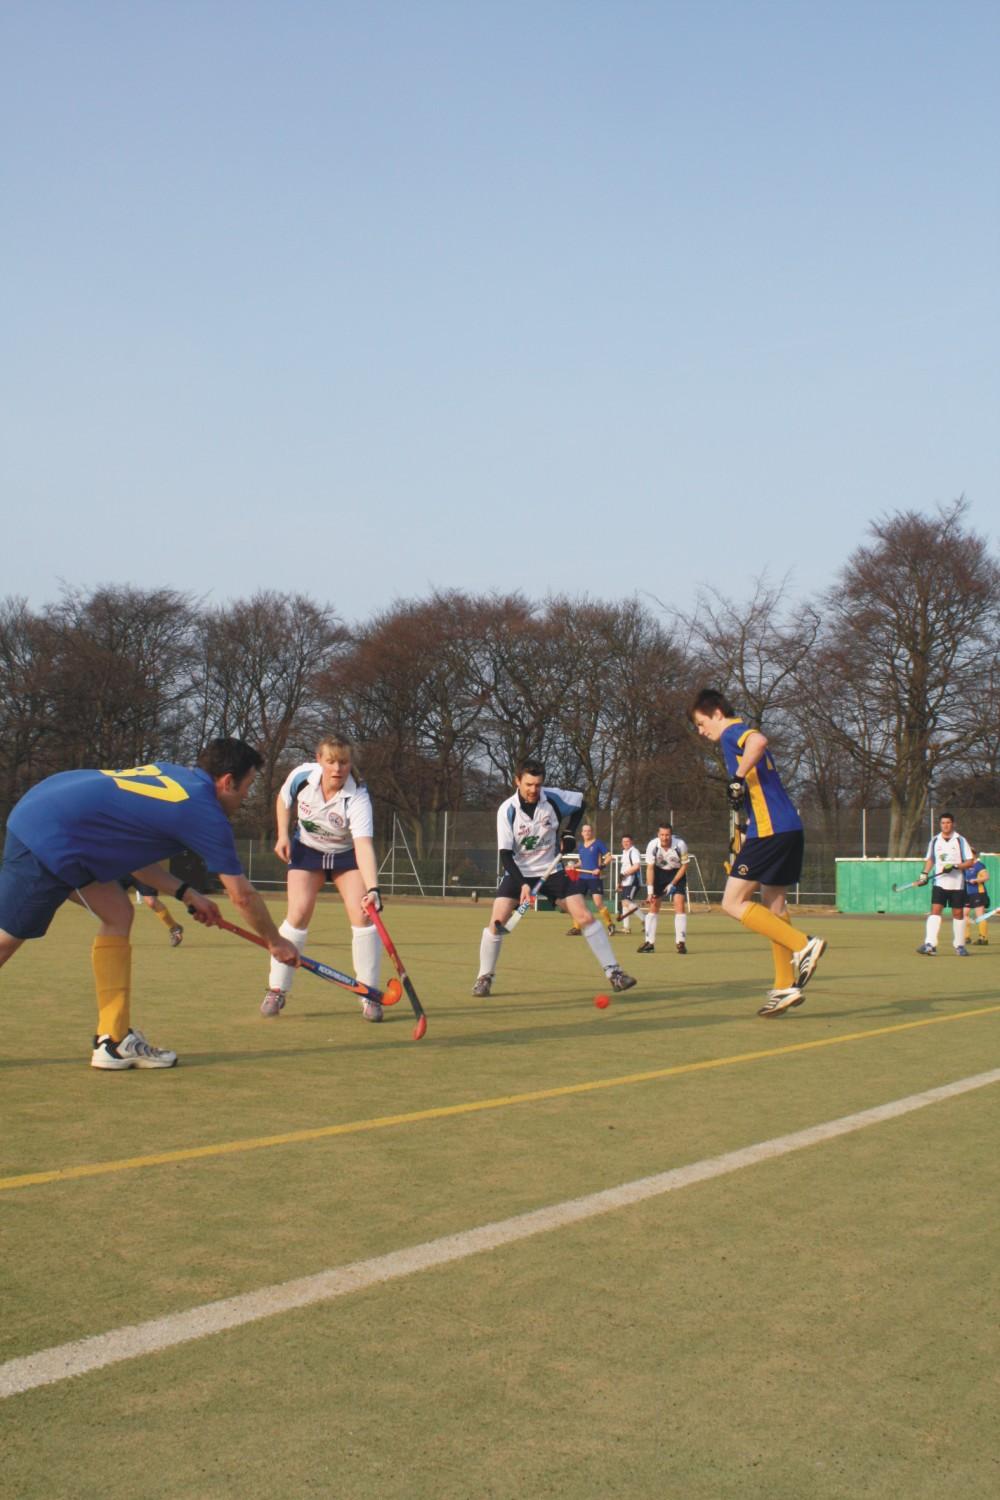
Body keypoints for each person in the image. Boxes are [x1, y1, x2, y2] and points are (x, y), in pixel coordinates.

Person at [0, 739, 299, 1069]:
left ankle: (113, 1040)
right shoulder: (205, 813)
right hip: (47, 831)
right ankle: (113, 1041)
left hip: (54, 810)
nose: (246, 797)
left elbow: (135, 860)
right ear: (227, 781)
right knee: (5, 941)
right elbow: (242, 895)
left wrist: (186, 893)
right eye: (248, 786)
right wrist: (275, 941)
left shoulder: (175, 776)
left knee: (118, 913)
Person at [688, 689, 826, 1016]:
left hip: (771, 829)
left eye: (701, 723)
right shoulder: (733, 736)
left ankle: (803, 945)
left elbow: (758, 741)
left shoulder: (731, 732)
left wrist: (736, 779)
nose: (700, 731)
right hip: (787, 827)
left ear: (717, 713)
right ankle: (785, 986)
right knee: (774, 906)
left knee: (731, 902)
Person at [471, 759, 636, 998]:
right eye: (528, 784)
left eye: (538, 785)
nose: (533, 790)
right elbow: (505, 854)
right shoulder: (507, 810)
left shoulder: (553, 799)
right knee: (496, 923)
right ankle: (484, 977)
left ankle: (614, 973)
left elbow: (581, 804)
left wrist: (568, 832)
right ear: (517, 781)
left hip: (552, 871)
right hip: (518, 872)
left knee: (585, 916)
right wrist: (523, 884)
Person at [261, 734, 384, 1021]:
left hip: (345, 855)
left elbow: (363, 845)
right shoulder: (302, 776)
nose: (337, 769)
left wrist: (373, 889)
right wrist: (282, 835)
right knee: (298, 912)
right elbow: (283, 800)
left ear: (350, 763)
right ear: (319, 760)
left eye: (343, 762)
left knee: (363, 916)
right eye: (331, 761)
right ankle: (277, 989)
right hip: (307, 851)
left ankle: (369, 994)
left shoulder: (358, 796)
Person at [916, 812, 975, 956]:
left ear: (953, 824)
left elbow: (970, 861)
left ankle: (960, 945)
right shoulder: (935, 840)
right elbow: (931, 859)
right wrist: (924, 874)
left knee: (958, 914)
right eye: (943, 823)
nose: (945, 825)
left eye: (948, 823)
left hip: (957, 884)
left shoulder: (960, 840)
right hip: (940, 883)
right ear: (940, 824)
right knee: (935, 911)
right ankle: (930, 944)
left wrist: (955, 867)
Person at [637, 824, 690, 954]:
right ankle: (649, 943)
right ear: (658, 835)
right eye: (662, 835)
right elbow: (650, 868)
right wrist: (650, 892)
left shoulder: (680, 845)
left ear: (671, 835)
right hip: (659, 873)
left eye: (667, 835)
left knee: (679, 905)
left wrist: (672, 883)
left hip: (677, 873)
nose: (664, 838)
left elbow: (684, 866)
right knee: (654, 906)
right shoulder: (652, 845)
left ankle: (680, 943)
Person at [567, 823, 615, 937]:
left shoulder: (598, 843)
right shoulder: (580, 846)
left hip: (594, 878)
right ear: (582, 833)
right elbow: (582, 862)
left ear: (592, 832)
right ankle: (577, 928)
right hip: (582, 878)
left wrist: (599, 868)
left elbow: (609, 857)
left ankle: (610, 924)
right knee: (576, 902)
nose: (587, 833)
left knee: (598, 903)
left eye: (589, 831)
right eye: (585, 831)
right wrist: (574, 866)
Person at [119, 876, 184, 947]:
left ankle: (174, 928)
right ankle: (115, 937)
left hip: (142, 872)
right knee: (112, 901)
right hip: (120, 872)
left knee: (151, 902)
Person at [617, 834, 642, 934]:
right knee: (625, 904)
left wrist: (625, 874)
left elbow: (636, 866)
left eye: (627, 841)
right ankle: (626, 927)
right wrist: (619, 883)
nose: (625, 843)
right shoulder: (625, 852)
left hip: (633, 881)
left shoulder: (634, 851)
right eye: (623, 841)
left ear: (631, 842)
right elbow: (623, 869)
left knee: (626, 902)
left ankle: (646, 920)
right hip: (626, 882)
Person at [965, 851, 991, 945]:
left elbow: (986, 877)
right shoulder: (966, 865)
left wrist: (976, 880)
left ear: (973, 854)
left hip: (978, 893)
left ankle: (983, 938)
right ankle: (966, 937)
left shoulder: (979, 865)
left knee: (980, 915)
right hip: (967, 893)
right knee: (963, 914)